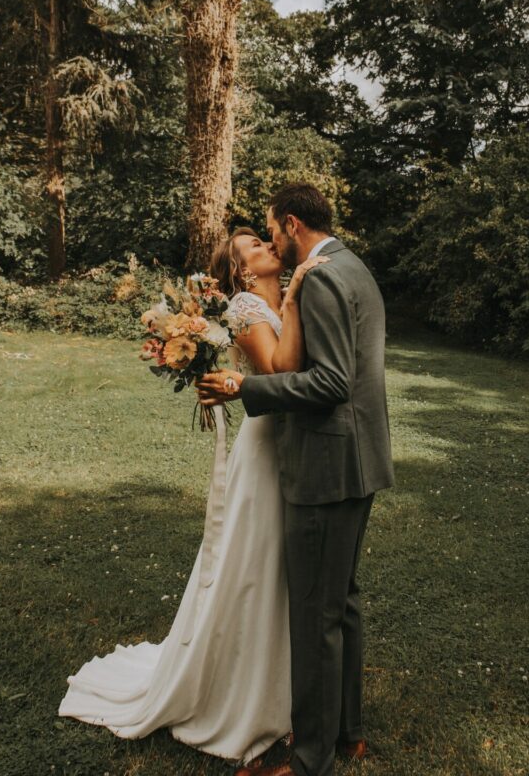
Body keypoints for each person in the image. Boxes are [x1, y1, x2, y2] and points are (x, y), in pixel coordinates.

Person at [58, 226, 328, 770]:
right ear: (242, 271)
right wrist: (295, 298)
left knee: (277, 567)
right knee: (255, 563)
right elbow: (280, 374)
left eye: (263, 239)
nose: (267, 246)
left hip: (290, 444)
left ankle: (284, 683)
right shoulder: (251, 305)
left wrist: (296, 298)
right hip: (267, 446)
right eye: (253, 247)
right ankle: (243, 692)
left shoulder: (274, 297)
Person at [198, 183, 395, 776]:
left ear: (289, 224)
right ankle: (348, 733)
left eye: (271, 230)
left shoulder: (324, 277)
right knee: (341, 604)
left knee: (316, 614)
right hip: (356, 459)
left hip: (326, 465)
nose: (271, 241)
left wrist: (244, 387)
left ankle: (311, 758)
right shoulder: (350, 266)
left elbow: (330, 382)